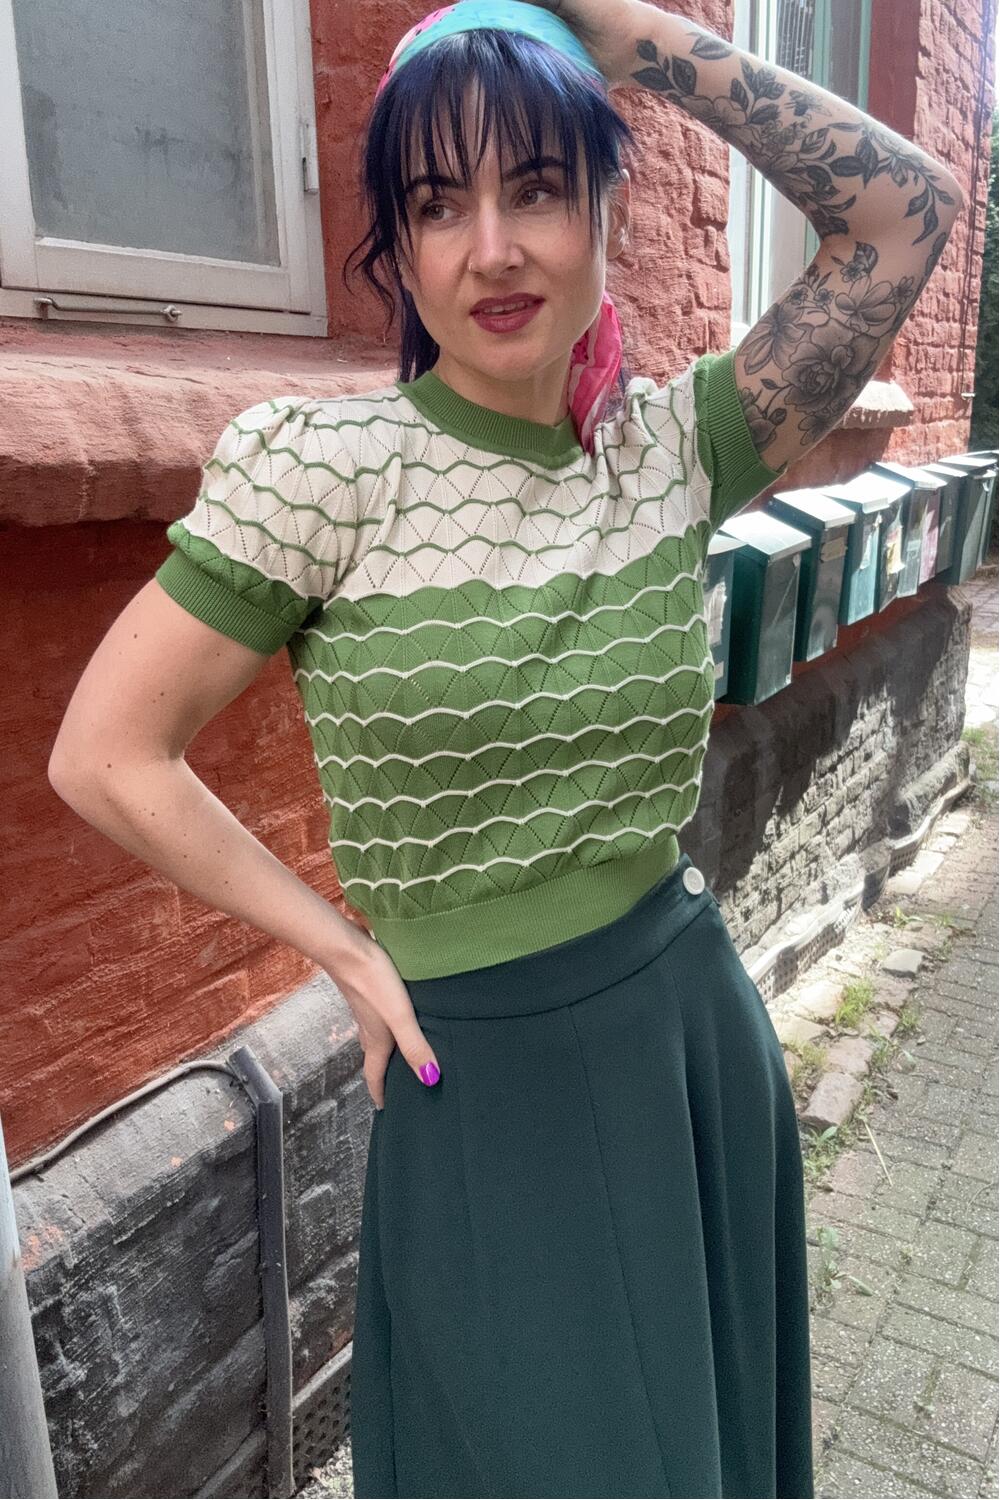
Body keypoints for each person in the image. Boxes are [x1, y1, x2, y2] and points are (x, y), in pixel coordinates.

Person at [48, 1, 965, 1495]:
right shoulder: (324, 475)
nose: (492, 249)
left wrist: (627, 33)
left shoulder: (676, 450)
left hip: (681, 1035)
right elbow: (106, 754)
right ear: (398, 251)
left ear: (606, 208)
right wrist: (341, 952)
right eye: (437, 203)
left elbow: (905, 212)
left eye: (537, 186)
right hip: (473, 1080)